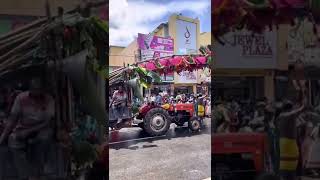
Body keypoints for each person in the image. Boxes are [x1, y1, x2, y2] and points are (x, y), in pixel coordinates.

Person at [0, 77, 55, 180]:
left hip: (41, 128)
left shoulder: (49, 100)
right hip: (23, 128)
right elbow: (12, 119)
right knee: (12, 140)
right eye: (34, 89)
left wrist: (28, 131)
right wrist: (3, 137)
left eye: (39, 89)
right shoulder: (21, 98)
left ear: (43, 90)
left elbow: (47, 122)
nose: (36, 92)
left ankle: (37, 171)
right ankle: (25, 174)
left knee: (45, 137)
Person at [278, 99, 305, 180]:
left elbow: (302, 123)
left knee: (288, 169)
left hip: (287, 144)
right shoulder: (286, 115)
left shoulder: (284, 116)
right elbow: (294, 113)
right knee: (289, 169)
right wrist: (302, 107)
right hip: (288, 144)